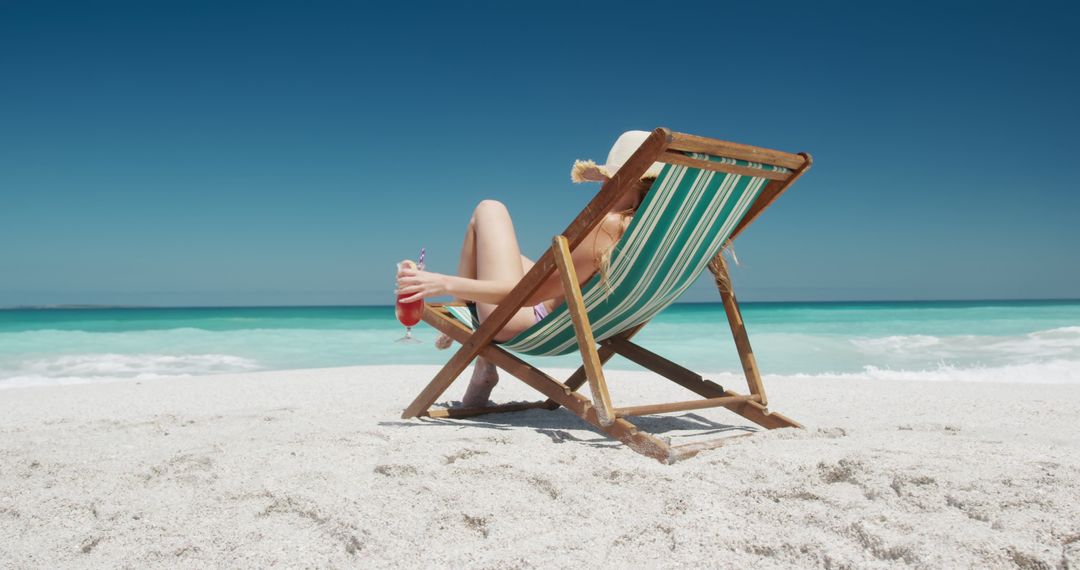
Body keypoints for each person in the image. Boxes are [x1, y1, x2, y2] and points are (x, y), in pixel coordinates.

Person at [395, 131, 663, 407]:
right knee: (492, 246)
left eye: (608, 179)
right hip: (569, 322)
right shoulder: (652, 234)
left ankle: (462, 316)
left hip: (523, 320)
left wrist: (442, 282)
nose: (601, 187)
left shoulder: (609, 226)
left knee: (489, 209)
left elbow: (525, 296)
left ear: (632, 182)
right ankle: (482, 365)